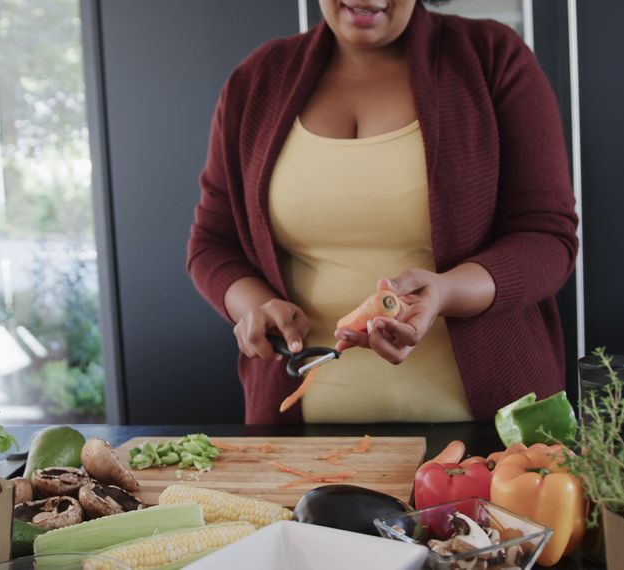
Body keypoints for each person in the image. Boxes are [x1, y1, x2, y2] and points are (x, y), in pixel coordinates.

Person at [187, 0, 578, 424]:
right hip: (297, 440)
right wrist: (256, 306)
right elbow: (212, 243)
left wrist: (446, 292)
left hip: (491, 439)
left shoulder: (494, 57)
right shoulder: (256, 79)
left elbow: (547, 237)